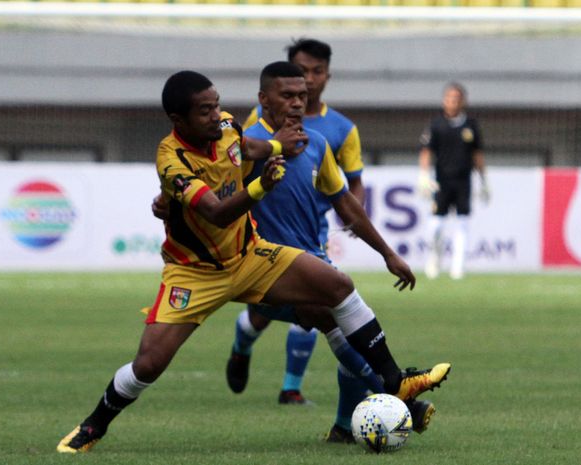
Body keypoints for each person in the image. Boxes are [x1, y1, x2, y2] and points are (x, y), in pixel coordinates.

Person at [57, 70, 448, 454]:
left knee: (338, 287)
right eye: (205, 111)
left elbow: (246, 147)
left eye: (217, 105)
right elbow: (217, 213)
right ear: (179, 120)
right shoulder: (171, 160)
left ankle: (396, 383)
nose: (217, 115)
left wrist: (276, 147)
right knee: (149, 365)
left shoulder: (228, 125)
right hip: (195, 273)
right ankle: (94, 425)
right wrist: (261, 185)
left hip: (250, 255)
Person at [228, 61, 444, 443]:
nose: (297, 102)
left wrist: (387, 253)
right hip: (262, 271)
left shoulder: (318, 145)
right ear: (263, 99)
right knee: (333, 318)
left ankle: (345, 428)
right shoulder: (247, 145)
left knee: (348, 326)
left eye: (302, 96)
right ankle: (399, 394)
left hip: (312, 264)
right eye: (287, 95)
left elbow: (346, 205)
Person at [231, 38, 368, 407]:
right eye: (301, 70)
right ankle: (241, 344)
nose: (307, 79)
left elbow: (352, 181)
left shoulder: (341, 129)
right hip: (264, 236)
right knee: (260, 318)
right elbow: (238, 165)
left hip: (311, 231)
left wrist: (355, 213)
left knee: (318, 311)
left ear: (326, 76)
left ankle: (292, 388)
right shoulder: (257, 123)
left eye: (315, 72)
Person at [418, 82, 489, 280]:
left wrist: (484, 180)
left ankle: (458, 267)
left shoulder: (471, 126)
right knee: (436, 227)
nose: (452, 102)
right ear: (444, 101)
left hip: (463, 182)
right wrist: (424, 176)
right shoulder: (436, 124)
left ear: (463, 101)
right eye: (449, 98)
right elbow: (426, 151)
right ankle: (434, 257)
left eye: (456, 99)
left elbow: (477, 154)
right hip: (441, 182)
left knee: (463, 224)